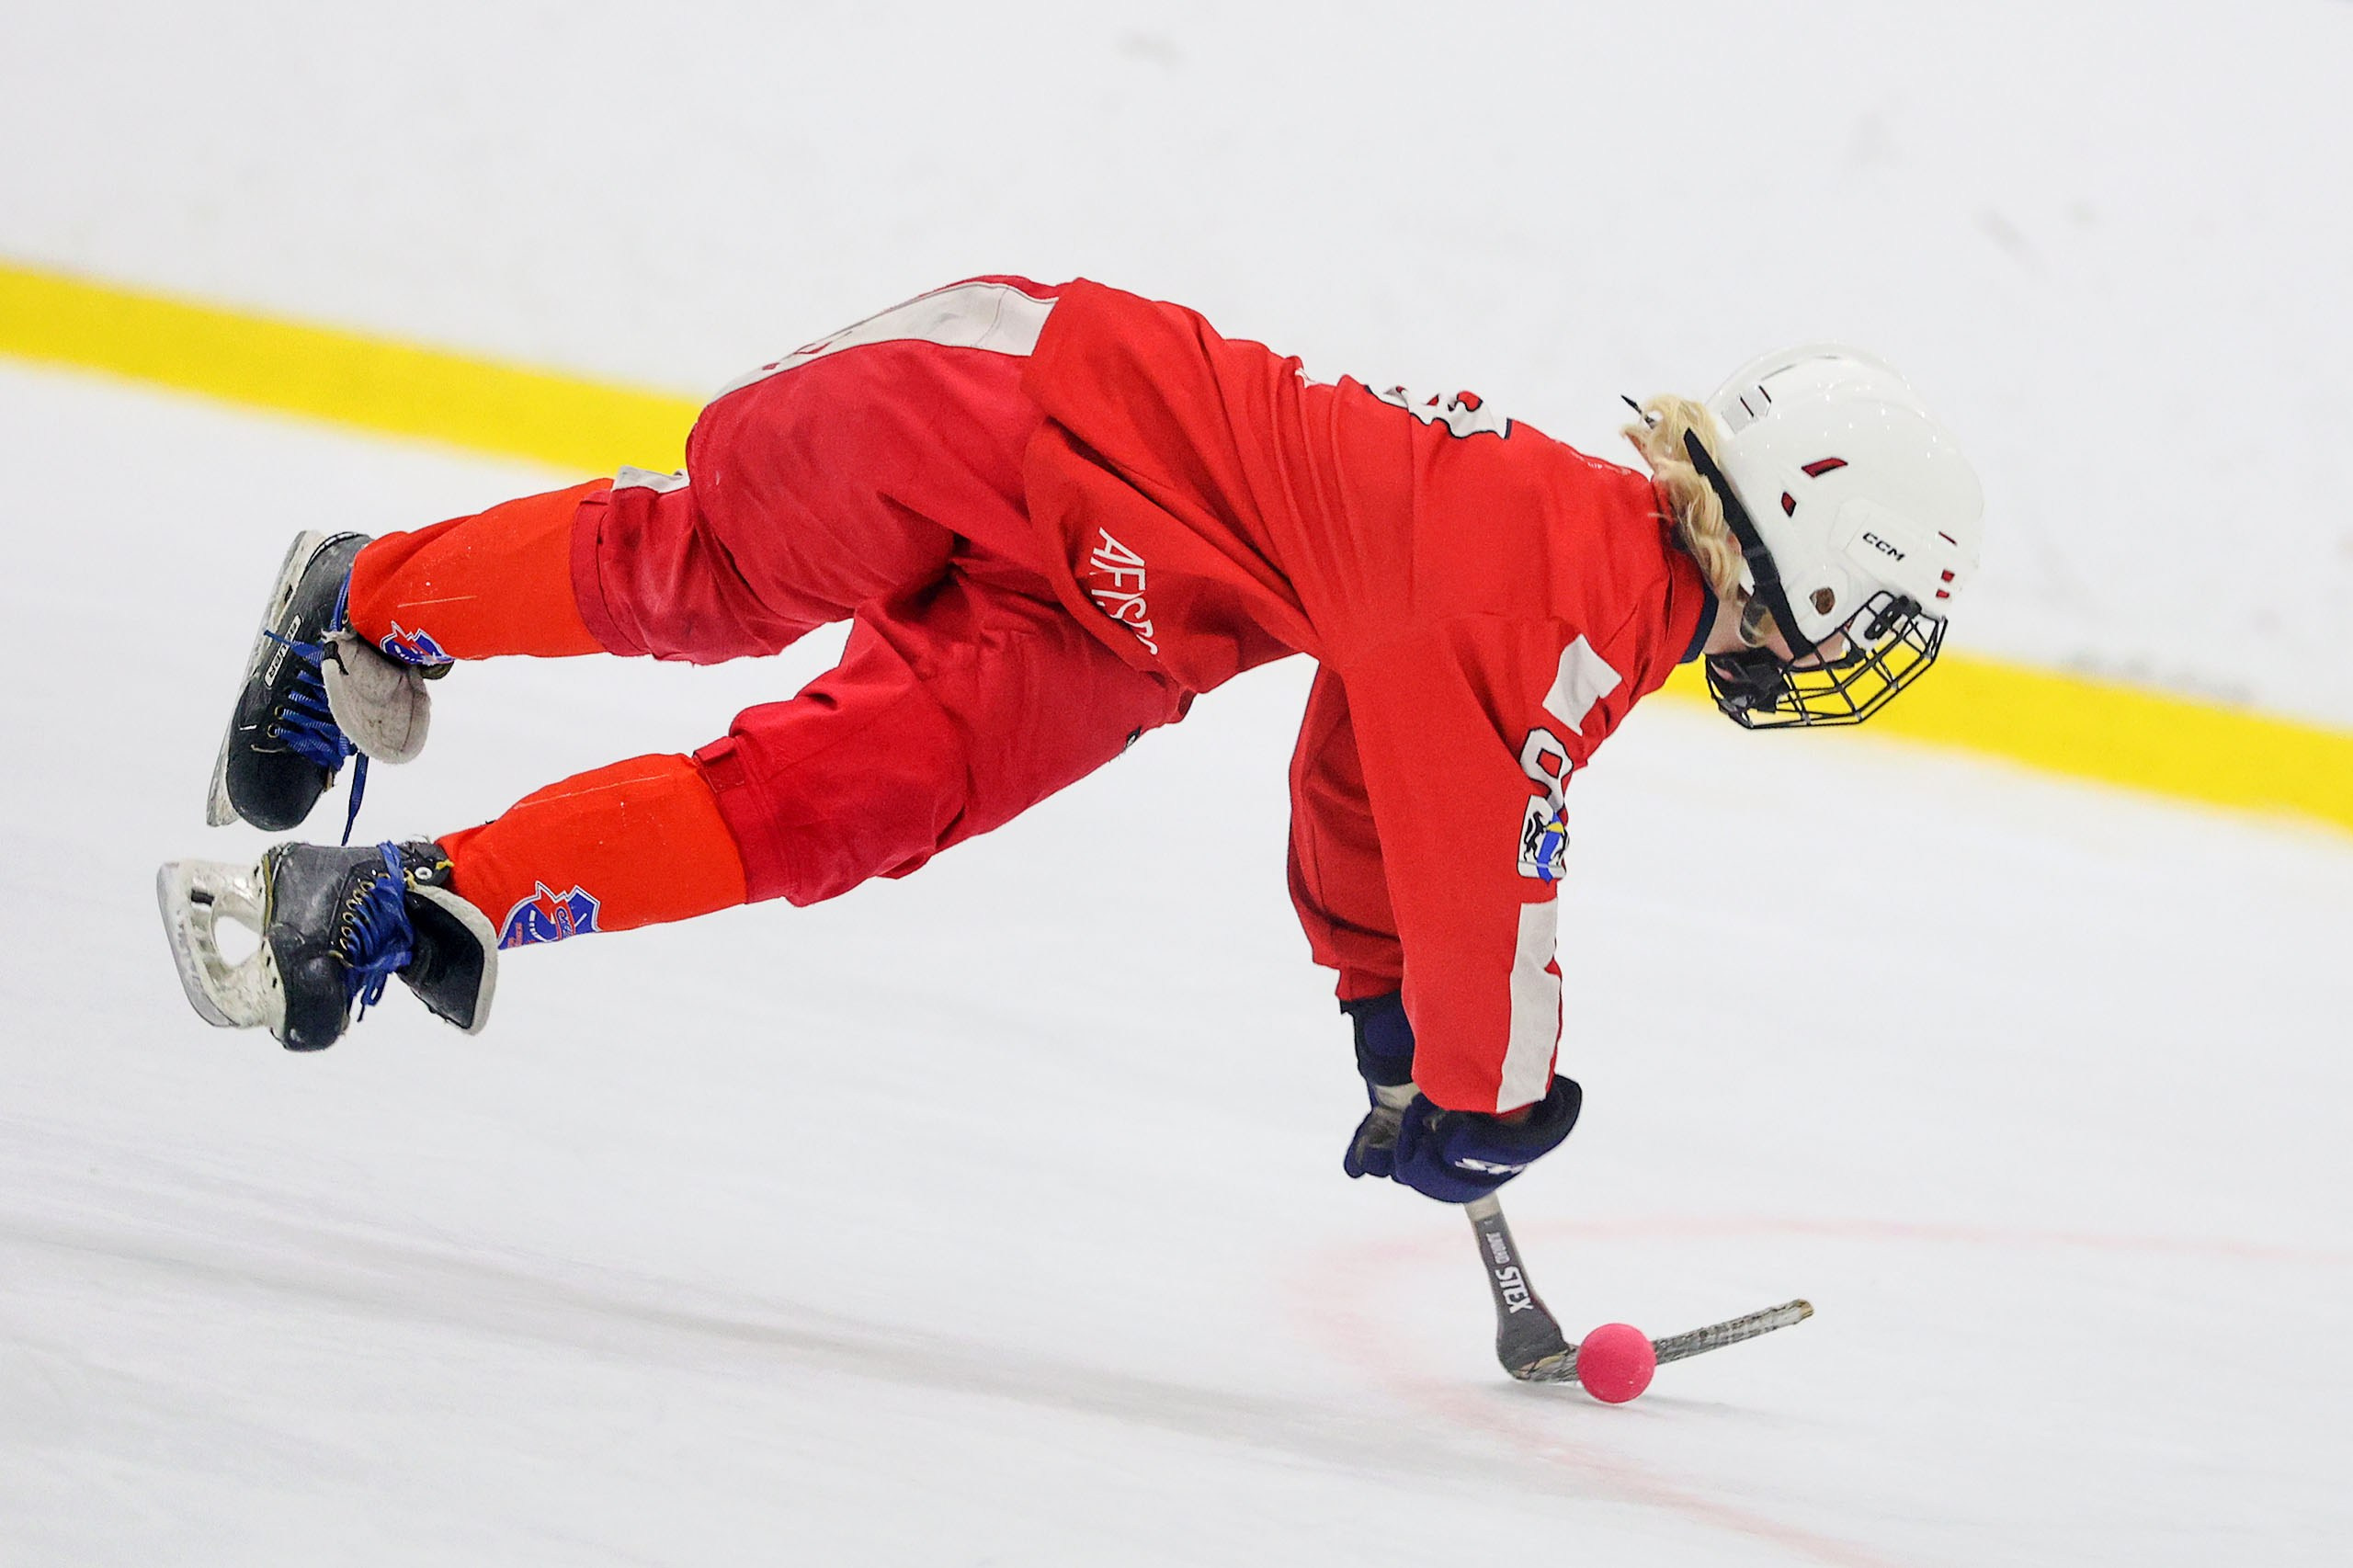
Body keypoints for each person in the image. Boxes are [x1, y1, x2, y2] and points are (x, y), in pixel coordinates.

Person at [156, 276, 1984, 1205]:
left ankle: (395, 896)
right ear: (1815, 540)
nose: (1867, 651)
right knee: (707, 573)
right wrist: (1487, 1096)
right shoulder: (1570, 600)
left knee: (837, 799)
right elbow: (1477, 829)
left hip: (1117, 612)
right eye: (1881, 608)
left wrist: (1376, 997)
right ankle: (365, 595)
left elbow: (1373, 750)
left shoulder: (1593, 595)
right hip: (1012, 401)